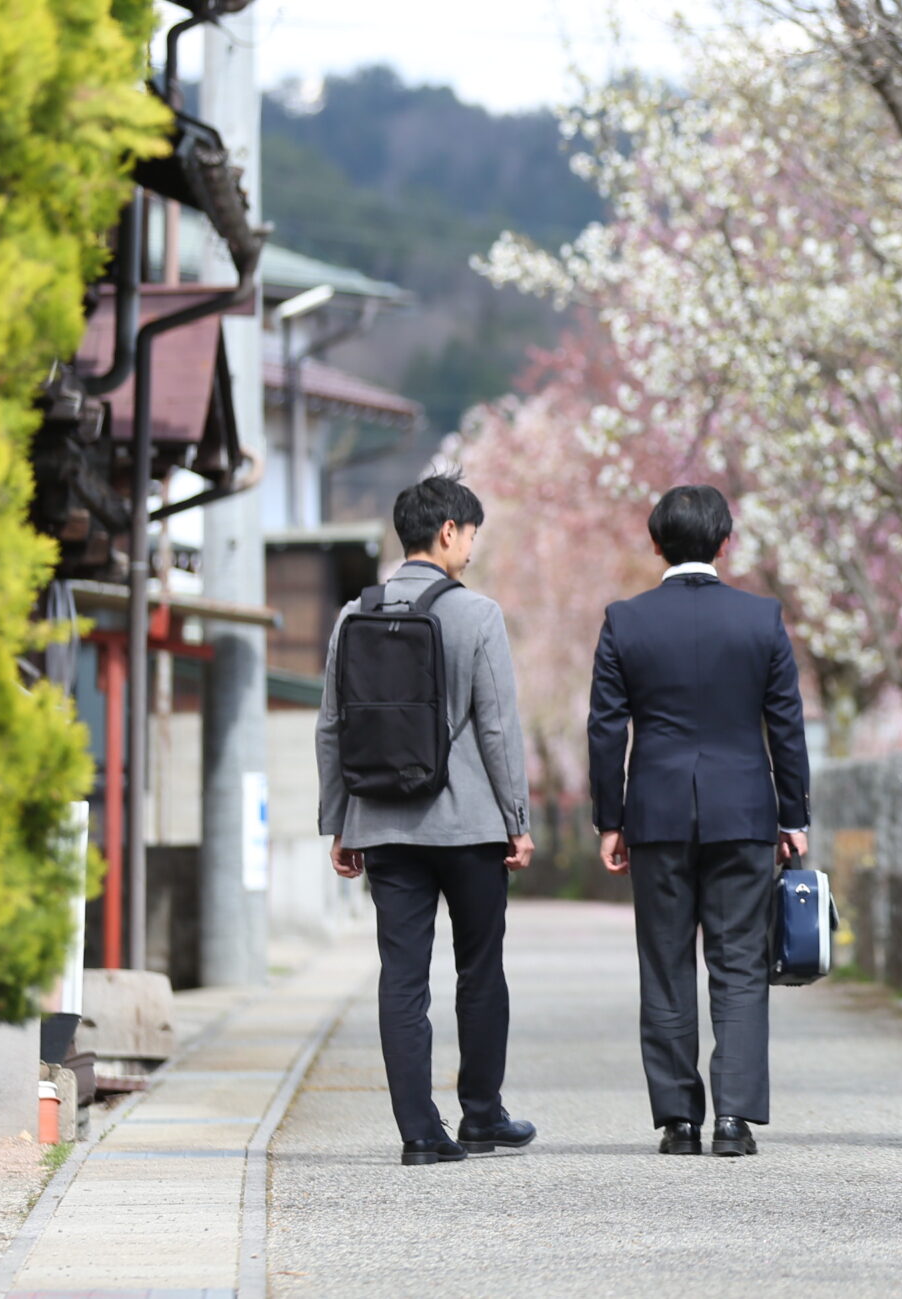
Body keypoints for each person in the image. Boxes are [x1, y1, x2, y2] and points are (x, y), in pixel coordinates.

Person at [316, 474, 537, 1167]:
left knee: (401, 977)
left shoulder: (355, 614)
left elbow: (332, 727)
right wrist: (518, 819)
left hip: (382, 824)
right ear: (447, 531)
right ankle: (481, 1113)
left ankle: (418, 1131)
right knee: (480, 969)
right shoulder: (477, 615)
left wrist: (340, 821)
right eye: (470, 533)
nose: (471, 547)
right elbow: (497, 729)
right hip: (468, 827)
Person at [587, 484, 811, 1157]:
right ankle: (733, 1119)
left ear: (655, 543)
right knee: (740, 961)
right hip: (743, 810)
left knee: (664, 964)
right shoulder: (761, 618)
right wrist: (794, 814)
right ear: (724, 541)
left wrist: (610, 817)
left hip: (655, 812)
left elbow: (605, 727)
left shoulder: (625, 620)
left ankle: (678, 1119)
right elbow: (787, 726)